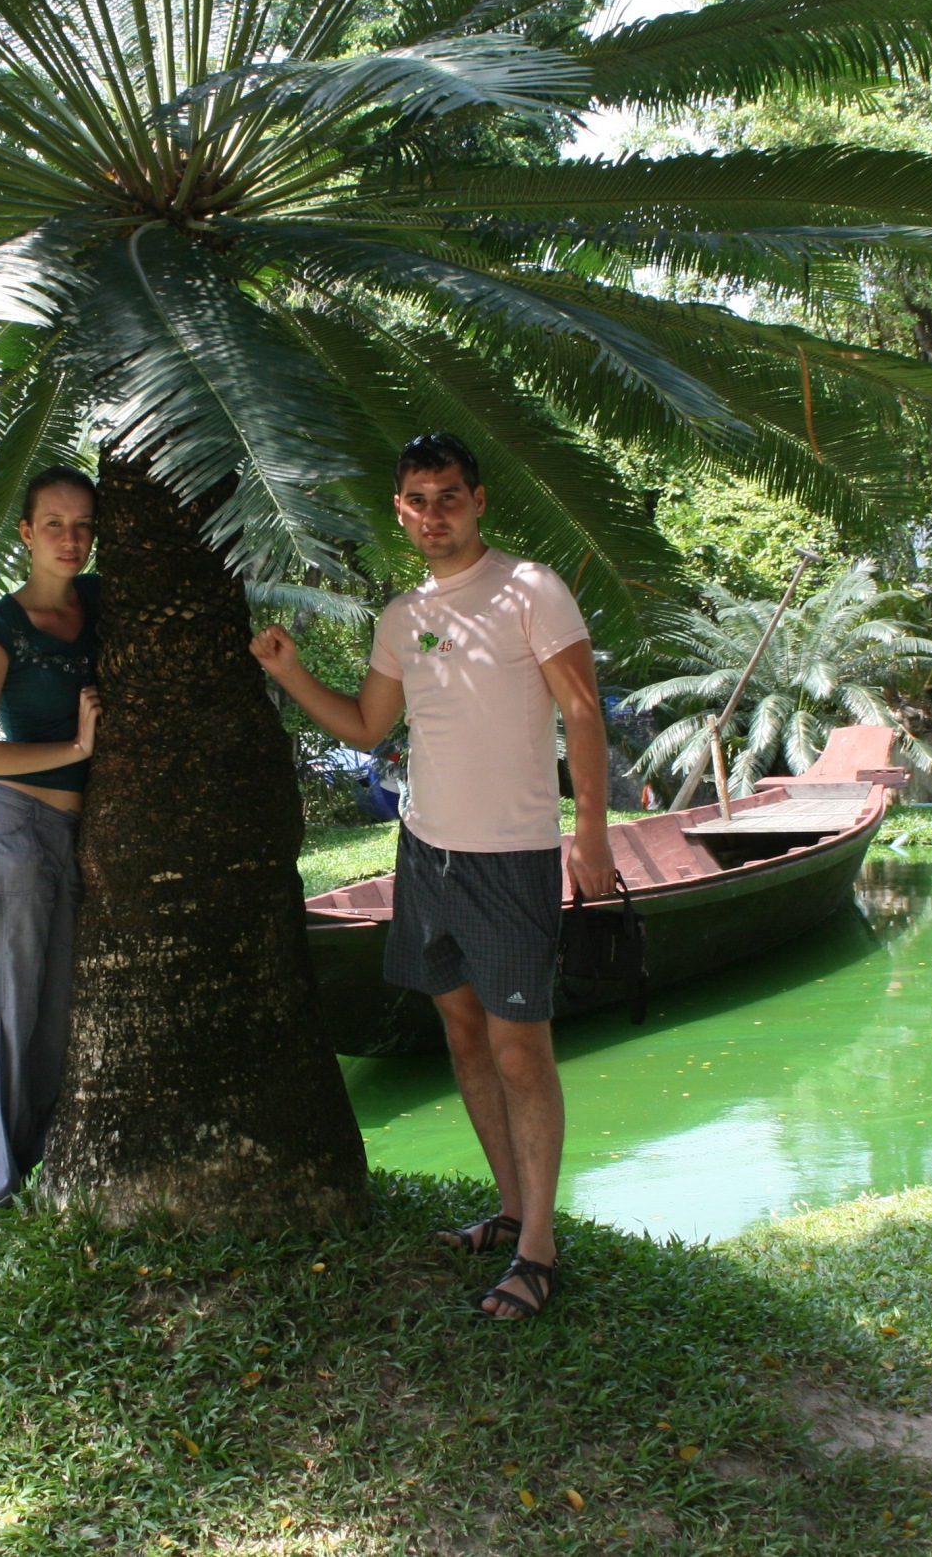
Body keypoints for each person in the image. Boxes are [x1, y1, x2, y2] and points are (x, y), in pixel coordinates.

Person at [253, 432, 615, 1320]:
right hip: (427, 854)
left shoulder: (531, 588)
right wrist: (290, 672)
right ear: (400, 510)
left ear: (478, 500)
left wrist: (591, 834)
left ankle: (539, 1250)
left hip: (514, 856)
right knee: (462, 1033)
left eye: (449, 496)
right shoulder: (401, 616)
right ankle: (511, 1209)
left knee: (521, 1047)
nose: (433, 514)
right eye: (416, 501)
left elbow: (582, 711)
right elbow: (367, 726)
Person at [0, 464, 101, 1221]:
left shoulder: (98, 603)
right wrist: (75, 746)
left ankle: (28, 1174)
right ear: (26, 533)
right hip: (11, 832)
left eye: (83, 526)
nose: (71, 539)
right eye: (55, 525)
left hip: (71, 835)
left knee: (52, 1016)